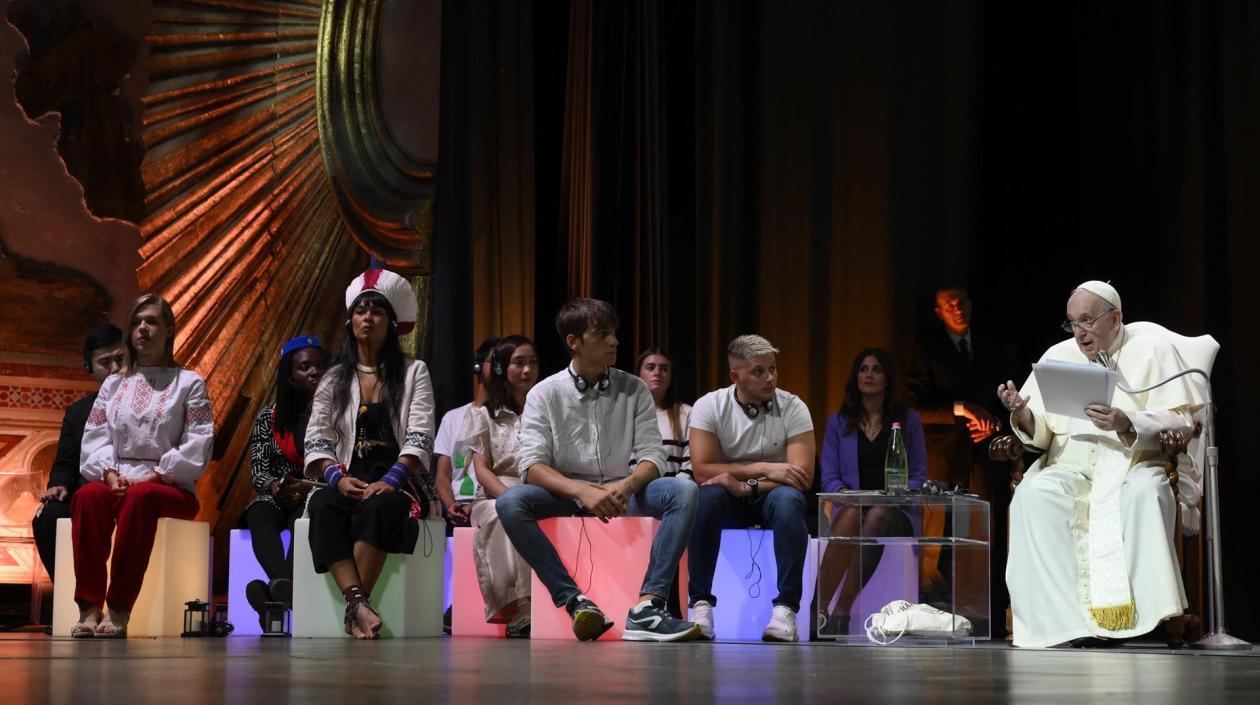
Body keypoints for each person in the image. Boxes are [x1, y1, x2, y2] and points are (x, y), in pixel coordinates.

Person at [999, 281, 1203, 648]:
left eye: (1088, 320)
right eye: (1072, 323)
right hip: (1071, 468)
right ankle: (1063, 621)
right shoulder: (1057, 356)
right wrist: (1023, 412)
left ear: (1116, 318)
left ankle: (1144, 618)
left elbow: (1184, 422)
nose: (1079, 332)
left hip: (1134, 464)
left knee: (1145, 491)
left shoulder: (1153, 351)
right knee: (1034, 494)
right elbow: (1042, 433)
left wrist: (1127, 422)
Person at [497, 298, 701, 642]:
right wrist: (582, 491)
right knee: (510, 503)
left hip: (624, 492)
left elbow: (653, 455)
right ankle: (575, 601)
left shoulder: (633, 387)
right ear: (573, 341)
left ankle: (649, 606)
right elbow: (531, 465)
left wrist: (627, 485)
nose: (614, 342)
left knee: (684, 490)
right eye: (603, 334)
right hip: (567, 495)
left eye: (614, 334)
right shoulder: (544, 393)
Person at [303, 269, 436, 640]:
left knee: (382, 506)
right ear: (350, 321)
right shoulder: (334, 378)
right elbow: (317, 438)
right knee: (324, 506)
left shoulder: (414, 372)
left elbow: (421, 433)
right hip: (346, 479)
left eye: (377, 311)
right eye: (361, 310)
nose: (368, 317)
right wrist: (336, 478)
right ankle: (359, 605)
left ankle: (355, 608)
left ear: (391, 323)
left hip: (399, 482)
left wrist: (391, 480)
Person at [71, 295, 214, 638]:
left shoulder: (188, 382)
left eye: (151, 321)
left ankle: (119, 607)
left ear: (168, 330)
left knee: (142, 497)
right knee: (88, 496)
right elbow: (95, 435)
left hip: (169, 486)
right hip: (117, 479)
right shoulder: (114, 384)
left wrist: (159, 473)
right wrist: (107, 473)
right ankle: (89, 607)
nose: (142, 329)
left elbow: (198, 440)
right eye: (136, 323)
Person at [686, 334, 815, 642]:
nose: (769, 377)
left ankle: (785, 610)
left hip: (771, 494)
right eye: (759, 371)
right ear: (735, 376)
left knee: (789, 500)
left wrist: (751, 486)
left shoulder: (794, 407)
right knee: (705, 497)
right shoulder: (709, 405)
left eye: (772, 368)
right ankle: (700, 605)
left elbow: (802, 476)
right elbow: (703, 468)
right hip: (728, 494)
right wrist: (765, 468)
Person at [817, 348, 928, 634]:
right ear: (855, 377)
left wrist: (897, 495)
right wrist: (846, 494)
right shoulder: (838, 422)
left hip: (897, 512)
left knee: (878, 513)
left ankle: (841, 611)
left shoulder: (908, 421)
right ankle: (818, 610)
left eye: (876, 369)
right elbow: (829, 478)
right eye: (863, 368)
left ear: (888, 378)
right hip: (852, 508)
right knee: (855, 512)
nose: (868, 374)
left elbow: (918, 475)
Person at [240, 335, 327, 624]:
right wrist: (275, 486)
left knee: (300, 521)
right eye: (305, 367)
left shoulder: (335, 414)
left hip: (316, 493)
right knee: (258, 512)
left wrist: (307, 487)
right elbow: (258, 472)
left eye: (319, 366)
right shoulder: (269, 418)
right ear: (289, 376)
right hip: (279, 494)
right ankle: (282, 585)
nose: (315, 371)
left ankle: (272, 598)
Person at [458, 335, 539, 637]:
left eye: (533, 362)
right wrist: (510, 497)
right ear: (504, 368)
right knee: (499, 513)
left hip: (538, 487)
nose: (528, 369)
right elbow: (481, 470)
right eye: (519, 362)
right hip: (496, 491)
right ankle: (520, 605)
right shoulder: (483, 414)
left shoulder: (546, 410)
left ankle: (539, 605)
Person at [32, 324, 124, 584]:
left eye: (121, 359)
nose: (115, 368)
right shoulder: (77, 411)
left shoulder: (150, 400)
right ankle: (68, 601)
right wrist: (59, 485)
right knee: (49, 515)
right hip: (88, 493)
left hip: (131, 489)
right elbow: (66, 463)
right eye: (105, 362)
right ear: (90, 367)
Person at [433, 338, 499, 527]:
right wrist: (451, 505)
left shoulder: (508, 418)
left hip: (493, 504)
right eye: (495, 361)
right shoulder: (452, 418)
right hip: (458, 508)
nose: (499, 369)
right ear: (478, 366)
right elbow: (442, 476)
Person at [636, 348, 692, 478]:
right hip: (631, 490)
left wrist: (675, 487)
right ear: (638, 374)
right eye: (650, 367)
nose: (657, 373)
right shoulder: (626, 414)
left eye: (664, 369)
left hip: (673, 490)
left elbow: (690, 463)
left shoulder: (686, 413)